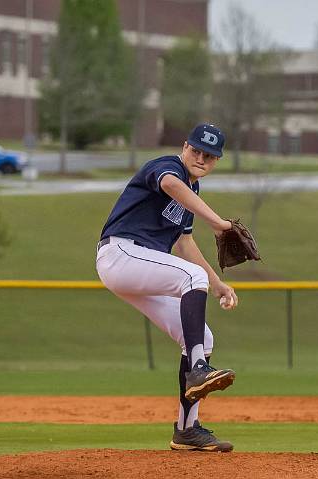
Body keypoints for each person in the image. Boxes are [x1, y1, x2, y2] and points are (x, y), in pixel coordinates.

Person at [96, 124, 237, 452]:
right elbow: (170, 185)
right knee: (191, 278)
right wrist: (216, 221)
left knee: (203, 337)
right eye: (196, 150)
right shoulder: (167, 167)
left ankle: (186, 430)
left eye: (209, 155)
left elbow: (184, 243)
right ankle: (199, 370)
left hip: (141, 265)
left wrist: (217, 283)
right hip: (121, 253)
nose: (201, 158)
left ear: (216, 161)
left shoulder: (194, 191)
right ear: (185, 147)